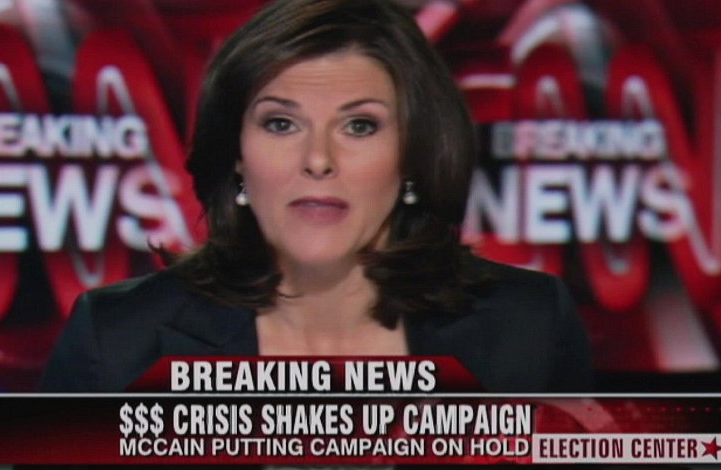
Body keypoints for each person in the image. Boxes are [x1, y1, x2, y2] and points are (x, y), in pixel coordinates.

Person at [39, 0, 592, 392]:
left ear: (413, 153)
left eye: (359, 126)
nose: (318, 159)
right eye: (281, 124)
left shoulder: (529, 331)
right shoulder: (117, 343)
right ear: (236, 153)